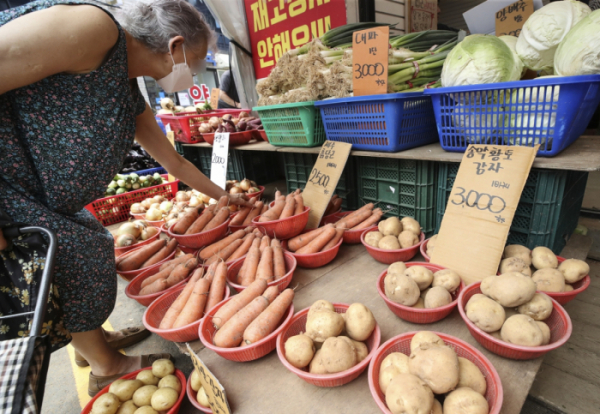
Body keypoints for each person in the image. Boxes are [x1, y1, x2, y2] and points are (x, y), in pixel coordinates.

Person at [0, 0, 252, 396]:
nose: (198, 73)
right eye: (199, 60)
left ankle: (92, 344)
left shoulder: (126, 82)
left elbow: (175, 164)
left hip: (43, 195)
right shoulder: (94, 28)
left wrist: (226, 198)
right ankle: (108, 367)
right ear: (175, 46)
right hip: (9, 185)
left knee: (93, 245)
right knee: (76, 253)